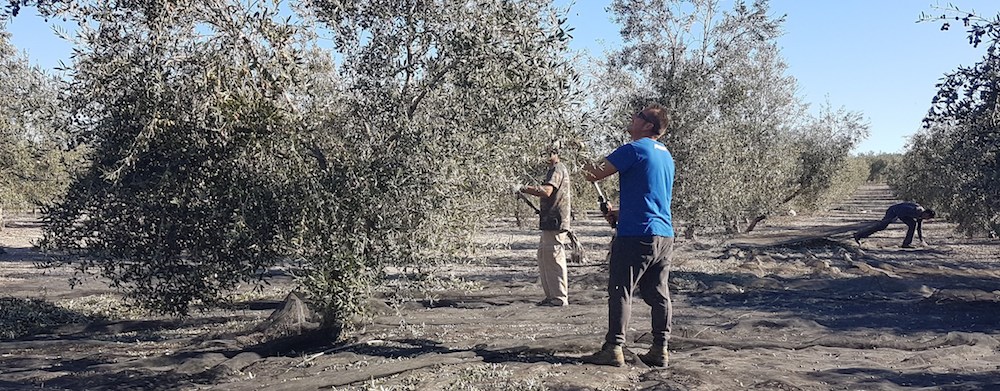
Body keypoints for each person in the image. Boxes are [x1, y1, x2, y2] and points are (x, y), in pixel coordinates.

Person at [581, 104, 674, 368]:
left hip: (636, 236)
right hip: (663, 236)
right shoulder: (666, 156)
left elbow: (591, 173)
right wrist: (620, 213)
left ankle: (613, 348)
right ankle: (661, 349)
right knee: (658, 294)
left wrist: (578, 155)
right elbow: (652, 199)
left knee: (621, 289)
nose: (633, 118)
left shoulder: (634, 148)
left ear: (647, 125)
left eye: (638, 116)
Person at [514, 147, 572, 307]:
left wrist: (523, 187)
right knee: (544, 257)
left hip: (555, 221)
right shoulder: (553, 170)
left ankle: (558, 298)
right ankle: (552, 297)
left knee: (553, 258)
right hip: (550, 221)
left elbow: (547, 191)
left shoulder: (557, 169)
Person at [854, 202, 936, 248]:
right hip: (893, 211)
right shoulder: (916, 210)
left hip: (902, 214)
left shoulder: (921, 216)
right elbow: (901, 211)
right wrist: (892, 219)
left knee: (913, 224)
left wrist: (922, 240)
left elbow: (919, 228)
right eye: (928, 217)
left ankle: (906, 244)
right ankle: (859, 235)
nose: (927, 219)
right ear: (926, 213)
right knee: (882, 226)